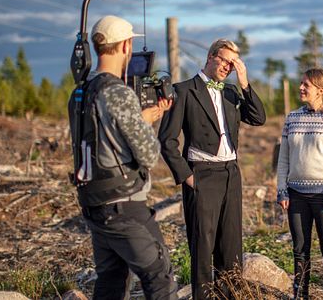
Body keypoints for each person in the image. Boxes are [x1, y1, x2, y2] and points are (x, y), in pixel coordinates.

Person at [68, 15, 177, 300]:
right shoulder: (118, 93)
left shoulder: (80, 92)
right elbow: (150, 155)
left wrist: (140, 121)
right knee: (159, 275)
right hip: (124, 205)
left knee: (112, 280)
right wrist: (144, 123)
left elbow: (102, 141)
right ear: (127, 46)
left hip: (95, 203)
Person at [158, 39, 266, 299]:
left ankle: (229, 294)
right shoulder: (184, 90)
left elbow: (258, 117)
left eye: (233, 63)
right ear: (210, 57)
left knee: (231, 245)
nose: (228, 67)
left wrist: (244, 83)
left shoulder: (231, 92)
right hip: (201, 174)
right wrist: (188, 177)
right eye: (225, 60)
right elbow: (167, 140)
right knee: (203, 245)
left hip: (231, 173)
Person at [276, 68, 323, 300]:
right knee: (299, 250)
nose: (301, 87)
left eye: (306, 84)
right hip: (296, 194)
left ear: (321, 90)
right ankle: (301, 295)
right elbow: (284, 158)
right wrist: (282, 190)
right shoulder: (292, 118)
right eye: (301, 83)